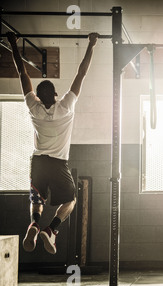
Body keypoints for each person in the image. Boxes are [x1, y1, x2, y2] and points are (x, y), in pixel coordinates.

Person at [7, 32, 99, 255]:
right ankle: (51, 230)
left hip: (38, 162)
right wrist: (91, 44)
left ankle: (34, 225)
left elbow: (22, 72)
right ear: (56, 95)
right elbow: (82, 73)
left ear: (37, 96)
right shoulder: (66, 106)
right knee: (71, 201)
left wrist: (13, 45)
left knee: (36, 199)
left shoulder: (33, 107)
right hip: (58, 164)